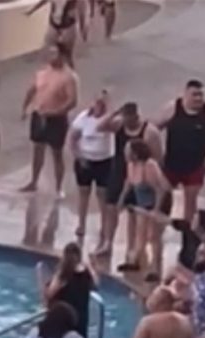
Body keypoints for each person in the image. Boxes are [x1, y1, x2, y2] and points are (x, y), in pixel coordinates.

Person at [95, 102, 163, 256]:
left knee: (134, 212)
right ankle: (108, 243)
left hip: (140, 172)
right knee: (111, 207)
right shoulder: (119, 125)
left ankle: (134, 247)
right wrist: (114, 113)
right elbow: (100, 127)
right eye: (124, 118)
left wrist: (148, 175)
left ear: (136, 116)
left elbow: (158, 156)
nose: (126, 122)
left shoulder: (149, 132)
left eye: (129, 118)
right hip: (119, 170)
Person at [156, 80, 205, 223]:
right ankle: (156, 238)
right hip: (171, 164)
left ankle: (189, 240)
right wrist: (156, 154)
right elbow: (153, 128)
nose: (198, 99)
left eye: (201, 95)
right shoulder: (173, 108)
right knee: (162, 200)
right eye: (194, 95)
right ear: (185, 95)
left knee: (190, 204)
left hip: (196, 166)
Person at [21, 43, 79, 196]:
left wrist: (57, 112)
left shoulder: (69, 77)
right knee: (37, 149)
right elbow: (33, 89)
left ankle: (59, 187)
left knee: (56, 153)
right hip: (39, 114)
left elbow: (72, 100)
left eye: (54, 53)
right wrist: (25, 107)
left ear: (62, 55)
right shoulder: (43, 72)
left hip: (56, 118)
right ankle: (34, 181)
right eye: (49, 53)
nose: (50, 56)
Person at [117, 139, 170, 280]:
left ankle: (156, 269)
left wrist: (156, 210)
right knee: (140, 233)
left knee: (154, 236)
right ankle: (135, 261)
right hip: (143, 202)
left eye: (128, 150)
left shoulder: (149, 166)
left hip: (159, 201)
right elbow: (128, 183)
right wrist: (121, 200)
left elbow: (160, 189)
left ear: (135, 153)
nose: (125, 152)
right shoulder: (131, 165)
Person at [67, 90, 113, 245]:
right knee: (84, 193)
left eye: (103, 104)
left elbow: (110, 127)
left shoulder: (109, 120)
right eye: (97, 102)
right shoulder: (83, 118)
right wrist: (78, 157)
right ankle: (81, 224)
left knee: (102, 194)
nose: (99, 106)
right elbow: (73, 139)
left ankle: (104, 225)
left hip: (104, 160)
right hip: (85, 160)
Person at [44, 242, 96, 338]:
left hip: (64, 320)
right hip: (81, 320)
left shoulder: (63, 275)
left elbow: (50, 294)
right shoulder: (86, 274)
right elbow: (96, 284)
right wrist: (91, 266)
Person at [26, 0, 88, 68]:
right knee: (47, 50)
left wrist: (83, 31)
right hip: (54, 25)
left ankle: (70, 75)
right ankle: (51, 73)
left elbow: (82, 14)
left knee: (68, 55)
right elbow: (43, 1)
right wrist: (31, 11)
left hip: (68, 27)